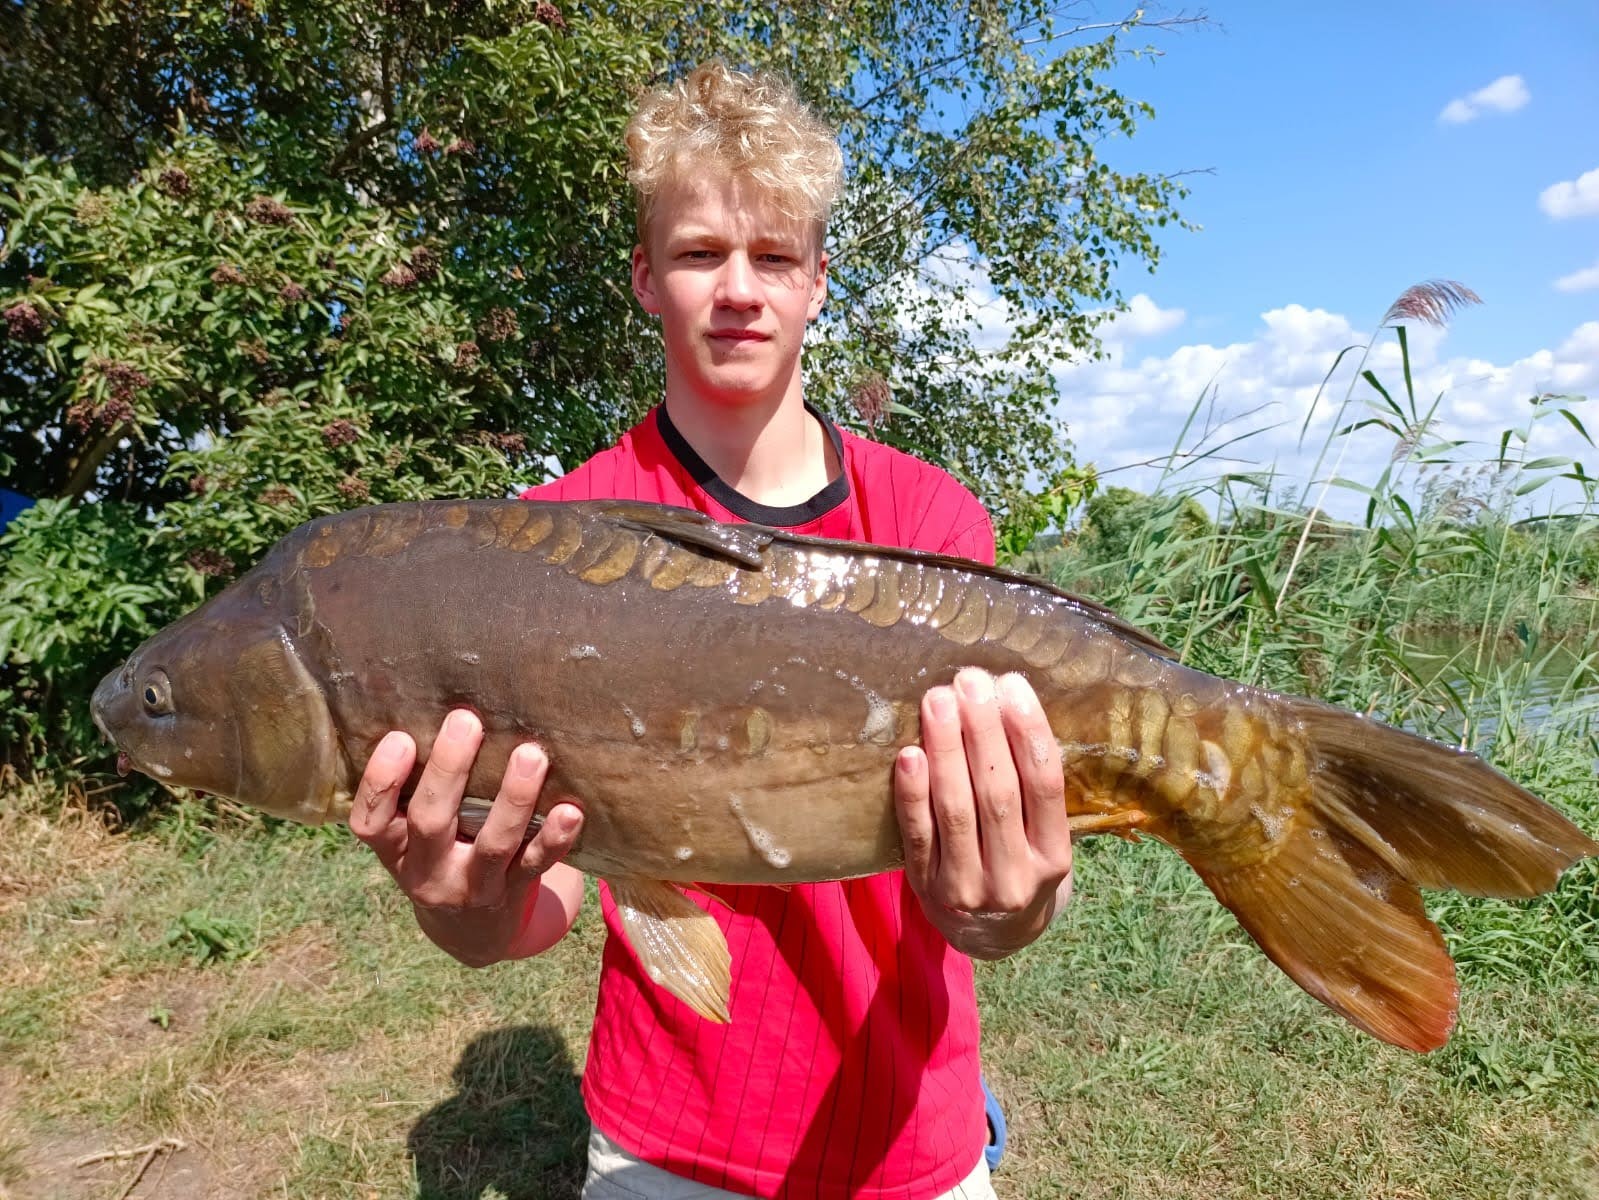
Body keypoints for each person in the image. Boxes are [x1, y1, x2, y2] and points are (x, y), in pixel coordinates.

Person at [350, 62, 1073, 1200]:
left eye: (774, 257)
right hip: (663, 1145)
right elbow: (542, 902)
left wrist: (1019, 905)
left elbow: (1005, 880)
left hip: (910, 1137)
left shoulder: (932, 527)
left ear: (818, 283)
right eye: (699, 254)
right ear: (646, 277)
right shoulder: (536, 548)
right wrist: (463, 912)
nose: (739, 289)